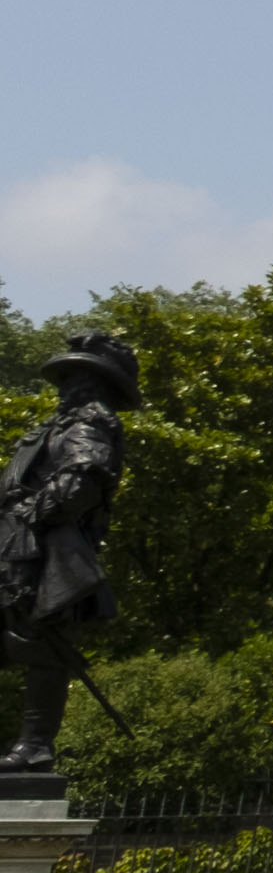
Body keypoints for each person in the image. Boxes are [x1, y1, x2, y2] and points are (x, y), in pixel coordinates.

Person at [0, 330, 130, 774]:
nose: (65, 384)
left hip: (41, 551)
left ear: (93, 382)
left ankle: (36, 744)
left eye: (75, 375)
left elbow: (80, 481)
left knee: (38, 644)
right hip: (14, 545)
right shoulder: (56, 425)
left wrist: (31, 512)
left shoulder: (90, 423)